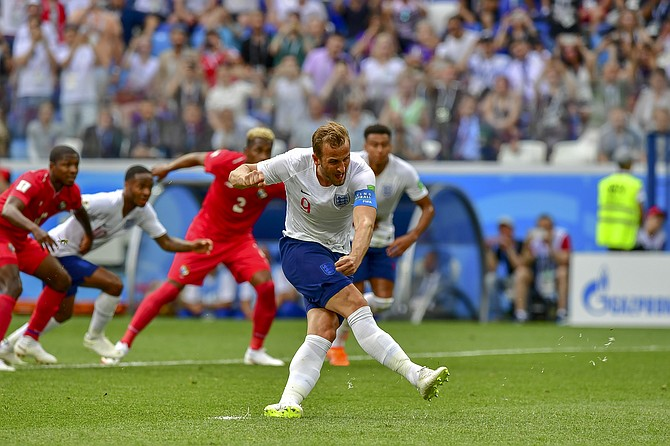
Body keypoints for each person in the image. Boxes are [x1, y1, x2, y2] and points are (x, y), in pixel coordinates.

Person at [228, 121, 449, 418]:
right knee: (356, 304)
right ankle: (417, 374)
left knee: (323, 330)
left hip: (339, 254)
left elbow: (366, 220)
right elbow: (241, 171)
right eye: (334, 161)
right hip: (300, 249)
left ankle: (288, 400)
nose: (342, 167)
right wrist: (242, 177)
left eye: (345, 158)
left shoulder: (360, 171)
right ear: (316, 158)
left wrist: (357, 254)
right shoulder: (295, 161)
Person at [103, 128, 287, 367]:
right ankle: (123, 344)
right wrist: (168, 168)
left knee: (266, 285)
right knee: (171, 289)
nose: (262, 156)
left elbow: (301, 195)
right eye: (257, 150)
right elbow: (197, 157)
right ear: (246, 150)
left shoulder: (272, 179)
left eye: (266, 151)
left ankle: (256, 350)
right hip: (204, 237)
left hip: (239, 240)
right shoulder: (227, 162)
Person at [3, 165, 213, 359]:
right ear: (127, 185)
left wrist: (192, 246)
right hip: (59, 247)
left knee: (63, 313)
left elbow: (165, 242)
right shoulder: (107, 202)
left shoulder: (143, 212)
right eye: (141, 187)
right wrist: (86, 233)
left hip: (72, 254)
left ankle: (11, 345)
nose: (146, 192)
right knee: (114, 284)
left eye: (149, 187)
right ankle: (94, 337)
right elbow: (77, 204)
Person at [326, 124, 435, 366]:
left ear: (391, 145)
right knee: (354, 295)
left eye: (384, 144)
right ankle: (337, 346)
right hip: (353, 240)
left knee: (384, 301)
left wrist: (412, 236)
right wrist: (358, 218)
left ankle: (343, 329)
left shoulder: (404, 171)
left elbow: (428, 207)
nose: (379, 149)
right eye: (374, 144)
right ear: (365, 146)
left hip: (385, 239)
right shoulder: (350, 164)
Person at [0, 146, 93, 371]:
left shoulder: (70, 191)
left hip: (20, 238)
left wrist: (89, 234)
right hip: (2, 232)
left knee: (61, 279)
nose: (72, 170)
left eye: (76, 165)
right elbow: (8, 211)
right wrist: (37, 230)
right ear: (52, 167)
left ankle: (30, 339)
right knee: (12, 285)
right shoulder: (32, 180)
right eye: (66, 165)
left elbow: (79, 210)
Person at [513, 214, 571, 323]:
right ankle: (520, 314)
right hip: (537, 276)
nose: (544, 231)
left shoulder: (561, 236)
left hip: (554, 276)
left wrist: (550, 245)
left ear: (552, 227)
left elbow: (565, 260)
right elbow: (523, 262)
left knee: (562, 272)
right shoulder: (534, 238)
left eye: (547, 228)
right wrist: (527, 245)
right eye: (541, 228)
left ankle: (562, 313)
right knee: (521, 273)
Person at [596, 148, 645, 251]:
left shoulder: (605, 183)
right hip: (627, 233)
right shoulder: (634, 184)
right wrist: (641, 225)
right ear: (630, 164)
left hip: (608, 233)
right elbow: (640, 208)